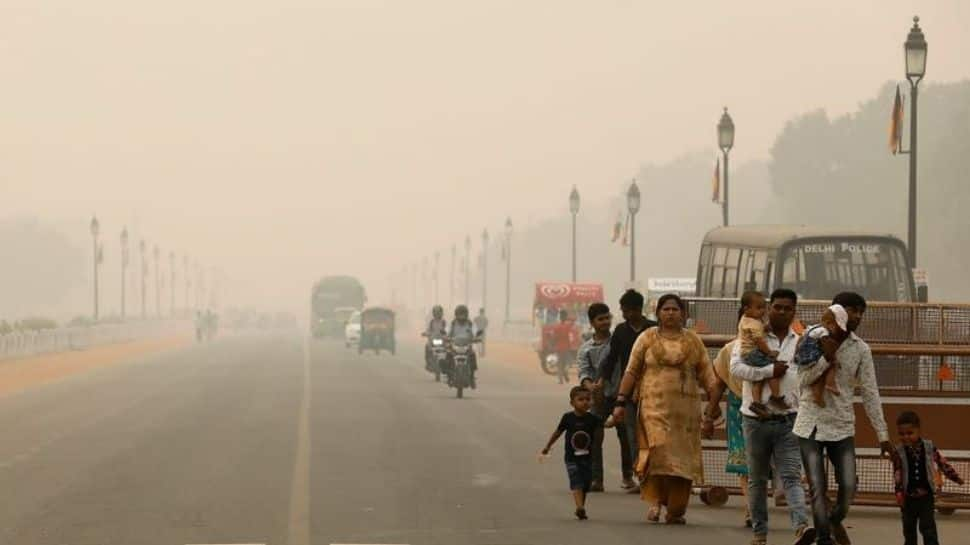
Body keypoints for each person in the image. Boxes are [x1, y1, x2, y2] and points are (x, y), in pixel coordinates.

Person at [794, 291, 893, 545]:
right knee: (817, 487)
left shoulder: (861, 349)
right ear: (836, 310)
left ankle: (831, 520)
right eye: (851, 310)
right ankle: (824, 538)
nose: (857, 316)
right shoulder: (813, 338)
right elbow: (802, 381)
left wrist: (882, 435)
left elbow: (870, 392)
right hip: (811, 424)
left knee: (848, 488)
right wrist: (826, 360)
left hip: (842, 425)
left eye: (861, 311)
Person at [612, 294, 719, 524]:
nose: (670, 313)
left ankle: (675, 508)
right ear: (658, 313)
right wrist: (620, 401)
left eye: (675, 309)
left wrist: (713, 404)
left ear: (684, 314)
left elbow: (708, 375)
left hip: (686, 415)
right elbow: (631, 371)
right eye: (666, 309)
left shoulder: (693, 341)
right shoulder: (646, 338)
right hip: (653, 409)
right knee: (656, 452)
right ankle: (654, 503)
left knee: (681, 461)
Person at [730, 289, 814, 545]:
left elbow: (807, 374)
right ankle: (759, 534)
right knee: (757, 480)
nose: (782, 312)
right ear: (769, 308)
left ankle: (801, 527)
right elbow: (736, 368)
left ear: (794, 312)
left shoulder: (799, 339)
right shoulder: (750, 334)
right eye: (777, 307)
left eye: (787, 308)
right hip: (755, 420)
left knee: (791, 475)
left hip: (788, 418)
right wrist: (769, 370)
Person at [597, 289, 657, 493]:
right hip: (630, 392)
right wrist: (602, 381)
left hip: (654, 390)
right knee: (633, 436)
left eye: (625, 310)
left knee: (654, 435)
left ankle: (658, 476)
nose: (623, 314)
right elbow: (612, 359)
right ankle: (641, 476)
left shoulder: (653, 329)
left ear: (637, 310)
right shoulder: (621, 331)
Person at [577, 302, 633, 492]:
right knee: (594, 437)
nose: (605, 322)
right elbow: (584, 373)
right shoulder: (585, 348)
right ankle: (596, 480)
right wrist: (591, 387)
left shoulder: (618, 341)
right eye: (601, 319)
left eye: (607, 317)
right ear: (592, 322)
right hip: (599, 398)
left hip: (620, 395)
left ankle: (628, 477)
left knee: (626, 437)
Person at [540, 386, 615, 520]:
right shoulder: (567, 418)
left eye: (587, 399)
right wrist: (547, 446)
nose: (585, 402)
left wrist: (615, 420)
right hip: (571, 458)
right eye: (580, 399)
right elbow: (557, 433)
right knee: (576, 481)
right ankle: (580, 508)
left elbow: (606, 424)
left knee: (586, 484)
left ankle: (580, 506)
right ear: (572, 403)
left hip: (588, 458)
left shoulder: (593, 418)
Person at [892, 410, 964, 545]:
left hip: (926, 497)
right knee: (909, 530)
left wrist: (954, 477)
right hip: (908, 499)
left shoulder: (929, 447)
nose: (905, 437)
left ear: (918, 431)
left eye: (910, 433)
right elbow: (897, 473)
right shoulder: (898, 452)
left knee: (928, 528)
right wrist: (899, 493)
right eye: (901, 434)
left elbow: (942, 463)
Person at [708, 336, 750, 528]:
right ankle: (751, 508)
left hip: (768, 409)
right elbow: (719, 382)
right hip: (739, 408)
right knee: (744, 462)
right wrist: (710, 412)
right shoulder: (729, 350)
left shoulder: (773, 346)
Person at [737, 291, 785, 417]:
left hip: (748, 353)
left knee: (758, 379)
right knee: (773, 370)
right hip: (753, 352)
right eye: (759, 308)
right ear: (746, 309)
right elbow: (759, 341)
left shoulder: (747, 319)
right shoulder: (753, 323)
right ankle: (775, 398)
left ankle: (756, 404)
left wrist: (764, 327)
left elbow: (757, 330)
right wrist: (770, 353)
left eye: (764, 307)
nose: (762, 311)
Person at [795, 305, 849, 407]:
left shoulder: (812, 328)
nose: (837, 331)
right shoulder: (824, 331)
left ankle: (817, 396)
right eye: (837, 328)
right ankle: (830, 383)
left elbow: (800, 339)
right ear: (829, 323)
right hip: (812, 357)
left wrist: (797, 352)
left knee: (817, 378)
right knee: (829, 365)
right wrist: (833, 359)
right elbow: (826, 347)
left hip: (802, 358)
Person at [448, 305, 479, 388]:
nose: (461, 316)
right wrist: (446, 337)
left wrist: (476, 338)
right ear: (456, 314)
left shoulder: (470, 323)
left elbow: (475, 332)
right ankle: (449, 374)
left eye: (463, 314)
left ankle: (472, 377)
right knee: (448, 355)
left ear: (466, 314)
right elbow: (448, 332)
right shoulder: (453, 323)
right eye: (460, 314)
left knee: (472, 356)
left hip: (467, 345)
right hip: (455, 345)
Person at [549, 309, 579, 384]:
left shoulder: (556, 327)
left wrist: (552, 346)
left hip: (558, 348)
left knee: (560, 364)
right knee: (569, 363)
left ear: (560, 317)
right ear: (566, 317)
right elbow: (573, 335)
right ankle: (565, 372)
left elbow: (553, 338)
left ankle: (560, 380)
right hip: (567, 347)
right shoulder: (568, 326)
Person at [424, 305, 448, 371]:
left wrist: (446, 335)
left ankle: (446, 365)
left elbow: (447, 330)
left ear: (441, 313)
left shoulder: (444, 322)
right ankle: (428, 363)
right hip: (433, 340)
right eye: (436, 313)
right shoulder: (432, 322)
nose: (437, 314)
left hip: (442, 340)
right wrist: (426, 333)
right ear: (433, 313)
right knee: (427, 347)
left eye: (438, 312)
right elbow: (429, 329)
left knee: (448, 350)